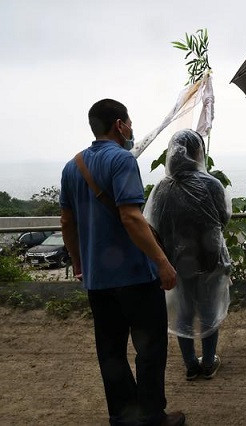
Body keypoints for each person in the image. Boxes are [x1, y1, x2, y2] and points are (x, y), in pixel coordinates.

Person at [59, 99, 185, 425]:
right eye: (129, 123)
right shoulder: (122, 161)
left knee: (111, 352)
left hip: (98, 281)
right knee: (149, 349)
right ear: (119, 125)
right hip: (136, 278)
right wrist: (163, 263)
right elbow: (131, 217)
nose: (131, 129)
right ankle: (153, 416)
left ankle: (122, 417)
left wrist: (77, 263)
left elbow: (66, 223)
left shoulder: (72, 167)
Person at [144, 129, 232, 382]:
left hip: (176, 263)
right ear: (198, 153)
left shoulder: (161, 188)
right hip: (208, 259)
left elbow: (154, 225)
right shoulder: (212, 184)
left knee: (182, 312)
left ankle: (190, 365)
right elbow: (222, 219)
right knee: (208, 312)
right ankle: (208, 362)